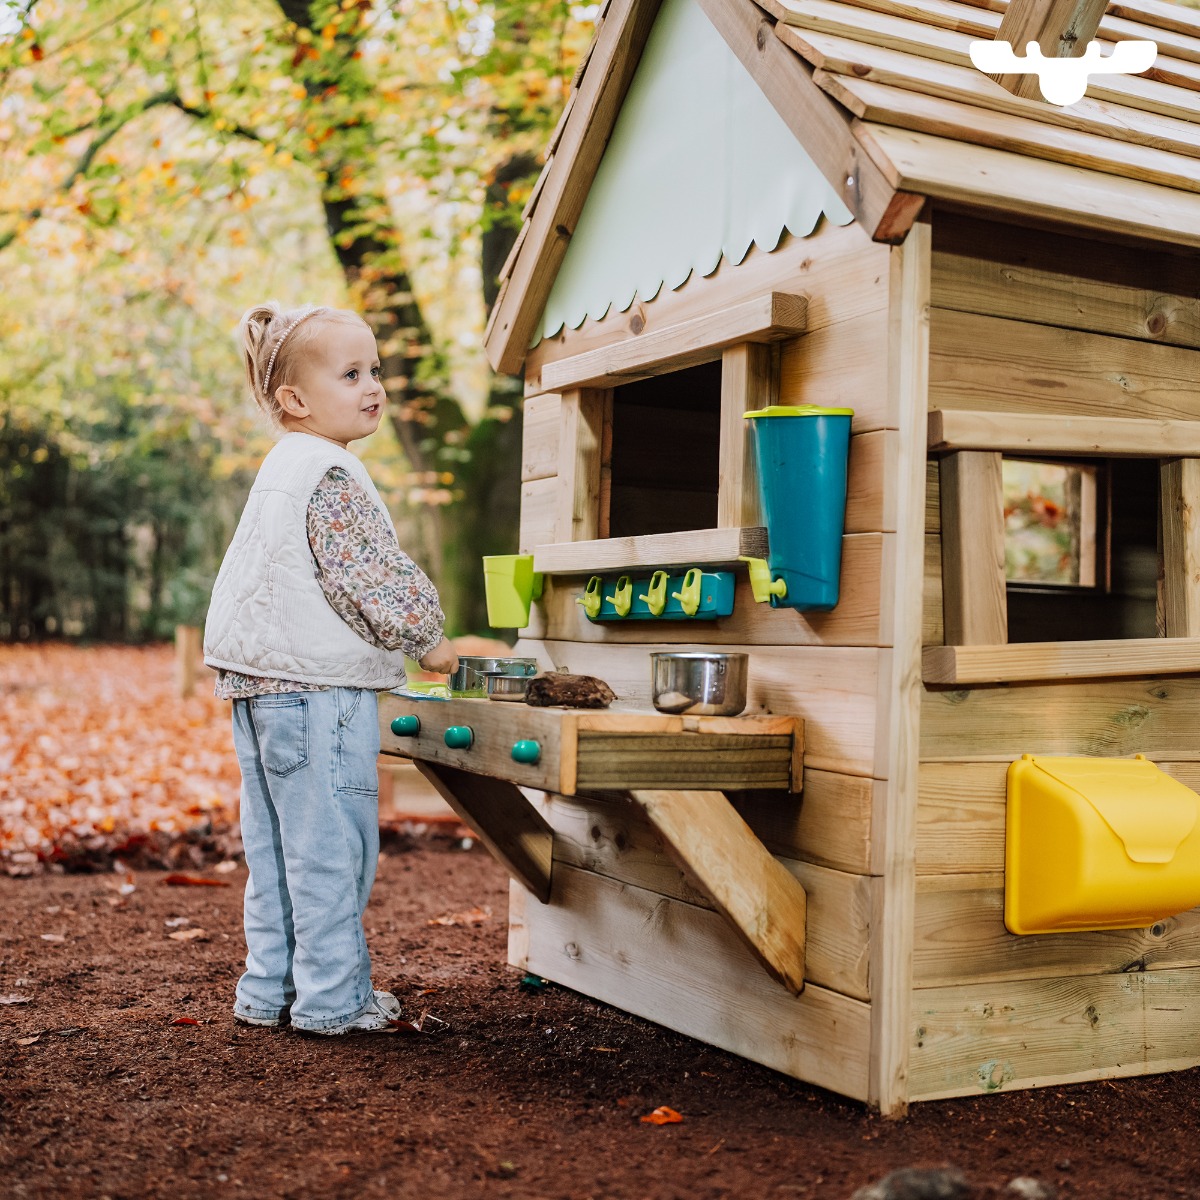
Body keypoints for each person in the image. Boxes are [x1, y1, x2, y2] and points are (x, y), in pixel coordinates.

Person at [203, 302, 459, 1036]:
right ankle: (334, 1001)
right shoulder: (332, 473)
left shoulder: (281, 469)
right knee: (331, 852)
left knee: (278, 852)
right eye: (351, 374)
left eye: (375, 370)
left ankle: (269, 992)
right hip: (318, 695)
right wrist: (430, 641)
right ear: (295, 400)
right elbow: (368, 578)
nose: (373, 385)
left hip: (259, 691)